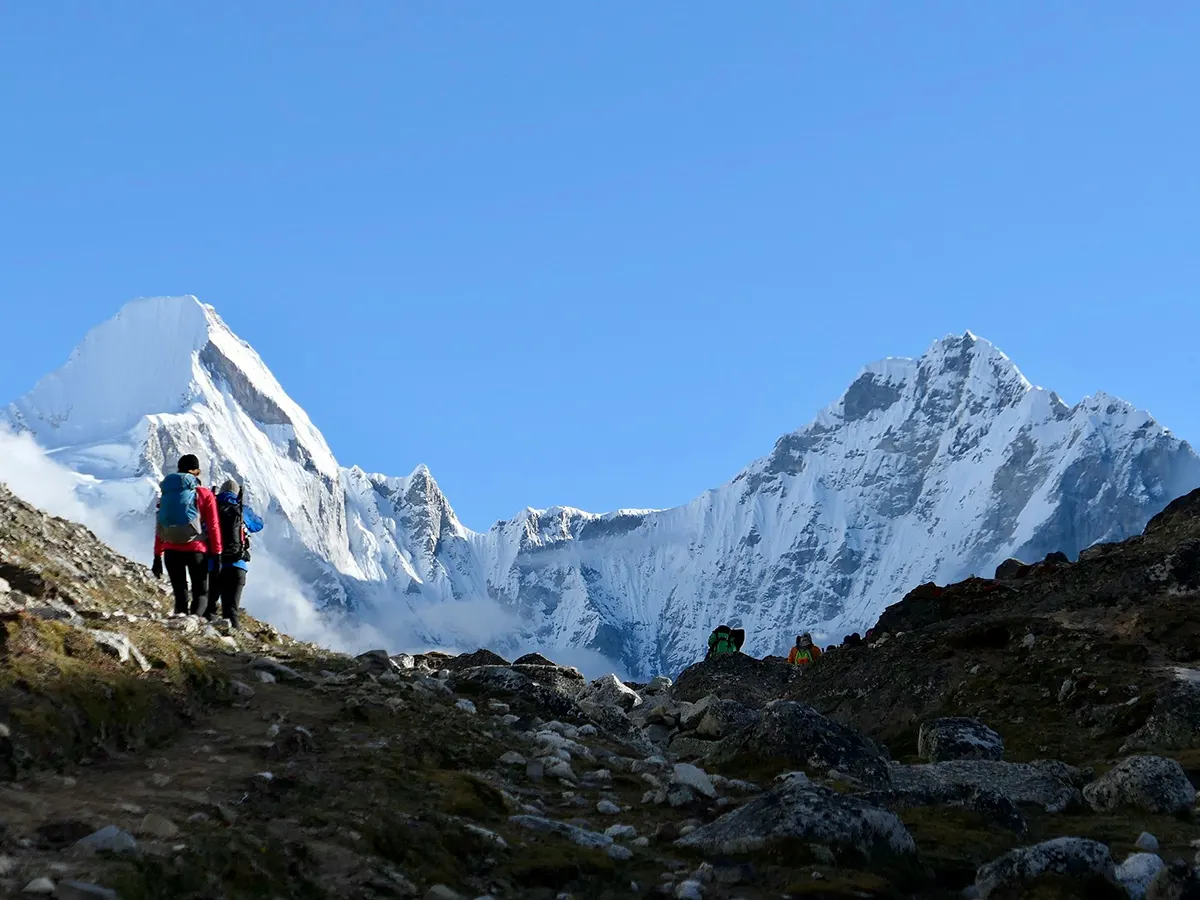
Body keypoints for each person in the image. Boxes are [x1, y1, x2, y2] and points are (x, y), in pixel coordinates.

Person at [151, 454, 222, 617]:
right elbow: (213, 526)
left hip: (170, 551)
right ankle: (194, 624)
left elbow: (160, 524)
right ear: (196, 472)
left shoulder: (167, 494)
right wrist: (217, 553)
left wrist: (157, 556)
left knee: (180, 595)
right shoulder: (204, 494)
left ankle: (179, 628)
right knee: (201, 593)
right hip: (196, 550)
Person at [213, 478, 263, 629]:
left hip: (215, 565)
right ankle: (235, 643)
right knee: (231, 611)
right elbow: (259, 524)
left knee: (209, 608)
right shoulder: (242, 509)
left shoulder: (213, 506)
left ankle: (210, 637)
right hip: (237, 566)